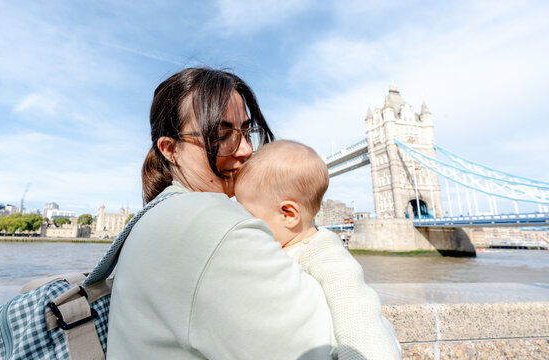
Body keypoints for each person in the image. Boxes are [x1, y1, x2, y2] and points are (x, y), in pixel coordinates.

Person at [107, 68, 338, 359]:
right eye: (221, 134)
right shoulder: (210, 221)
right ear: (170, 149)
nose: (245, 150)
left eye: (246, 131)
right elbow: (319, 350)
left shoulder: (159, 214)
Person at [234, 140, 402, 359]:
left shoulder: (327, 255)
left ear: (288, 214)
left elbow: (361, 323)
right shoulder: (279, 247)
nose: (241, 221)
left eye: (247, 214)